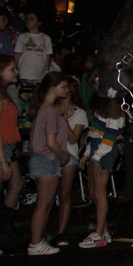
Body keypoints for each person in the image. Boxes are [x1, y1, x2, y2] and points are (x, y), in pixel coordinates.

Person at [27, 73, 72, 256]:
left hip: (42, 159)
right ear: (52, 87)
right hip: (46, 159)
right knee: (43, 203)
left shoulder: (45, 110)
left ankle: (39, 239)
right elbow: (51, 142)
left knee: (46, 203)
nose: (67, 91)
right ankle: (35, 242)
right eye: (63, 87)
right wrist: (63, 155)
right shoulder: (49, 111)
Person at [79, 98, 126, 248]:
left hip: (103, 150)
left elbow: (109, 137)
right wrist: (87, 155)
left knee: (99, 193)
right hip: (96, 146)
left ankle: (99, 233)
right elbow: (94, 133)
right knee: (93, 192)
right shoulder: (103, 108)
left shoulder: (114, 110)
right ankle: (103, 231)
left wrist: (96, 157)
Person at [54, 77, 89, 246]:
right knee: (47, 196)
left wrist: (63, 121)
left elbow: (74, 138)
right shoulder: (51, 109)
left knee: (65, 194)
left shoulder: (79, 113)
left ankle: (61, 232)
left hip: (70, 154)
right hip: (51, 155)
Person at [0, 56, 25, 241]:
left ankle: (5, 225)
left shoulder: (6, 93)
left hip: (10, 145)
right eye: (11, 69)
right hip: (1, 148)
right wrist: (2, 161)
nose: (16, 72)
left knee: (17, 184)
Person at [14, 12, 52, 84]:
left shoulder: (46, 38)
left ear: (39, 23)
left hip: (39, 74)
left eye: (31, 19)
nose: (28, 20)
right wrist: (15, 69)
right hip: (23, 73)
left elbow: (47, 56)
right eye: (27, 19)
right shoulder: (22, 37)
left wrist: (46, 71)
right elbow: (17, 54)